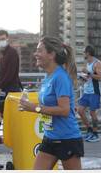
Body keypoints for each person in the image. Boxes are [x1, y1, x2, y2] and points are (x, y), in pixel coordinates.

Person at [19, 36, 83, 170]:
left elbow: (64, 110)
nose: (35, 54)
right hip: (50, 137)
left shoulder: (60, 77)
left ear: (51, 55)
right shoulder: (48, 76)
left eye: (39, 50)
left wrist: (35, 108)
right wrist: (28, 105)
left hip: (67, 139)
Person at [0, 29, 23, 152]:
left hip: (11, 91)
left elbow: (10, 73)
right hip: (4, 91)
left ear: (7, 38)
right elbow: (2, 70)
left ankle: (14, 145)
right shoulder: (4, 53)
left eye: (2, 39)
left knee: (10, 118)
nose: (1, 41)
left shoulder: (12, 53)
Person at [77, 45, 101, 142]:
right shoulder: (88, 63)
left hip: (94, 92)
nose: (83, 54)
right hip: (86, 91)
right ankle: (89, 130)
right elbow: (90, 77)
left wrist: (88, 73)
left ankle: (96, 134)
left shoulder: (97, 63)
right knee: (80, 110)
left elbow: (99, 77)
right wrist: (83, 78)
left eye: (84, 52)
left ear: (88, 53)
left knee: (92, 113)